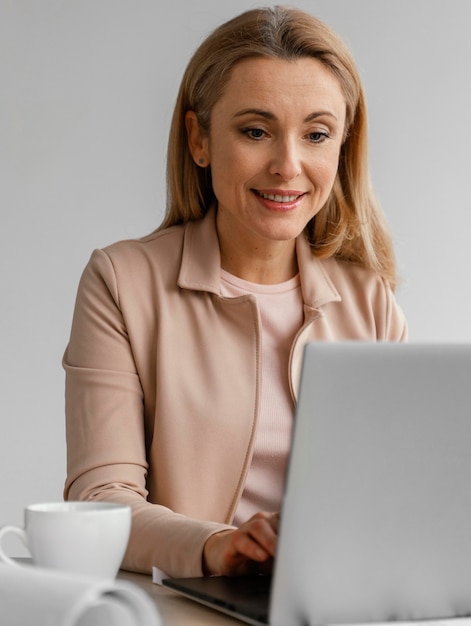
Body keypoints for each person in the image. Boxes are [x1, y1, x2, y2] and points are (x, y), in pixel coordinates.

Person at [63, 5, 407, 579]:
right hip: (190, 605)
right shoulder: (121, 283)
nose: (287, 165)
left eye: (316, 134)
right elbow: (100, 498)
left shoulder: (371, 302)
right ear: (200, 139)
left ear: (342, 148)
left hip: (340, 602)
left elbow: (396, 498)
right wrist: (221, 545)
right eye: (255, 131)